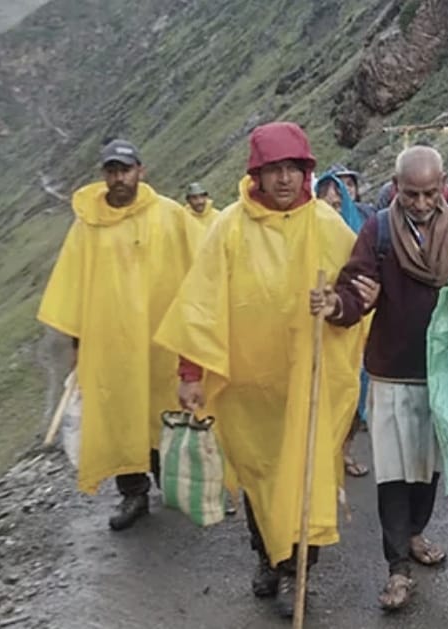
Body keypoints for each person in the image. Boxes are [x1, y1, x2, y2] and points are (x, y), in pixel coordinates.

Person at [153, 122, 366, 618]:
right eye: (275, 170)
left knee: (305, 475)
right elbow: (200, 306)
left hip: (307, 382)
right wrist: (190, 375)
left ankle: (298, 572)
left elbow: (360, 288)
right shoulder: (230, 226)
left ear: (307, 172)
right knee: (259, 477)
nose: (286, 180)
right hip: (248, 386)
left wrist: (336, 302)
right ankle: (267, 558)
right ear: (257, 174)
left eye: (294, 169)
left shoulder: (326, 225)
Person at [311, 146, 448, 611]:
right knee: (393, 471)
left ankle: (414, 533)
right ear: (395, 187)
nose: (420, 202)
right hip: (391, 370)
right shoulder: (379, 229)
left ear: (443, 189)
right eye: (410, 193)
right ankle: (397, 568)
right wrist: (340, 305)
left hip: (443, 369)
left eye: (430, 193)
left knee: (427, 466)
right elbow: (356, 289)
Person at [37, 139, 205, 531]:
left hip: (161, 340)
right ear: (104, 175)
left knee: (162, 410)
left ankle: (175, 484)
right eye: (112, 171)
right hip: (109, 343)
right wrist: (78, 345)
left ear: (140, 171)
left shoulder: (168, 215)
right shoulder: (87, 225)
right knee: (118, 416)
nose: (119, 178)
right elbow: (74, 286)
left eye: (125, 170)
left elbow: (200, 267)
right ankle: (134, 494)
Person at [314, 171, 379, 478]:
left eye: (338, 204)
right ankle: (322, 454)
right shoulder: (310, 234)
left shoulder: (365, 233)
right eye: (326, 204)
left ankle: (345, 450)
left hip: (359, 330)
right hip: (322, 335)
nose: (333, 210)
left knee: (354, 394)